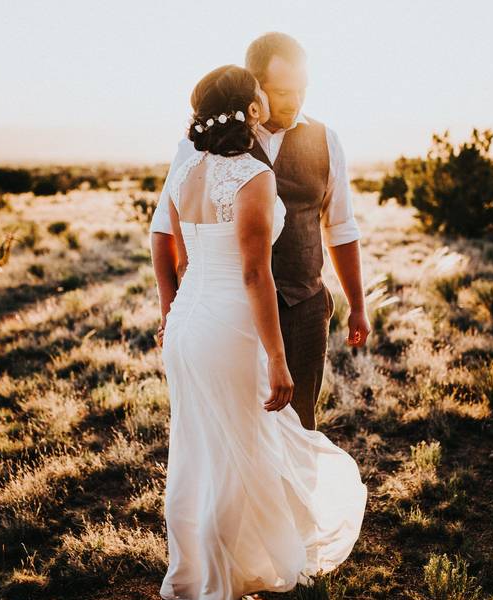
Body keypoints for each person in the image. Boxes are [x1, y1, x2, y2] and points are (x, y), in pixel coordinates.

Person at [155, 63, 367, 600]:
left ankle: (187, 576)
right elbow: (254, 276)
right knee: (235, 456)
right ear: (249, 110)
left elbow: (178, 252)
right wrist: (277, 357)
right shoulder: (252, 175)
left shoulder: (184, 170)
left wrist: (171, 313)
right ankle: (221, 593)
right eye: (258, 96)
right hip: (228, 325)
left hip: (185, 323)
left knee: (197, 451)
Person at [151, 31, 369, 431]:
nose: (295, 100)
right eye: (283, 91)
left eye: (302, 89)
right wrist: (171, 312)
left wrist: (358, 303)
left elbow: (340, 227)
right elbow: (164, 232)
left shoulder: (327, 140)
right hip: (227, 315)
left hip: (303, 308)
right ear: (257, 89)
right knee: (234, 431)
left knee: (300, 427)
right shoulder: (197, 147)